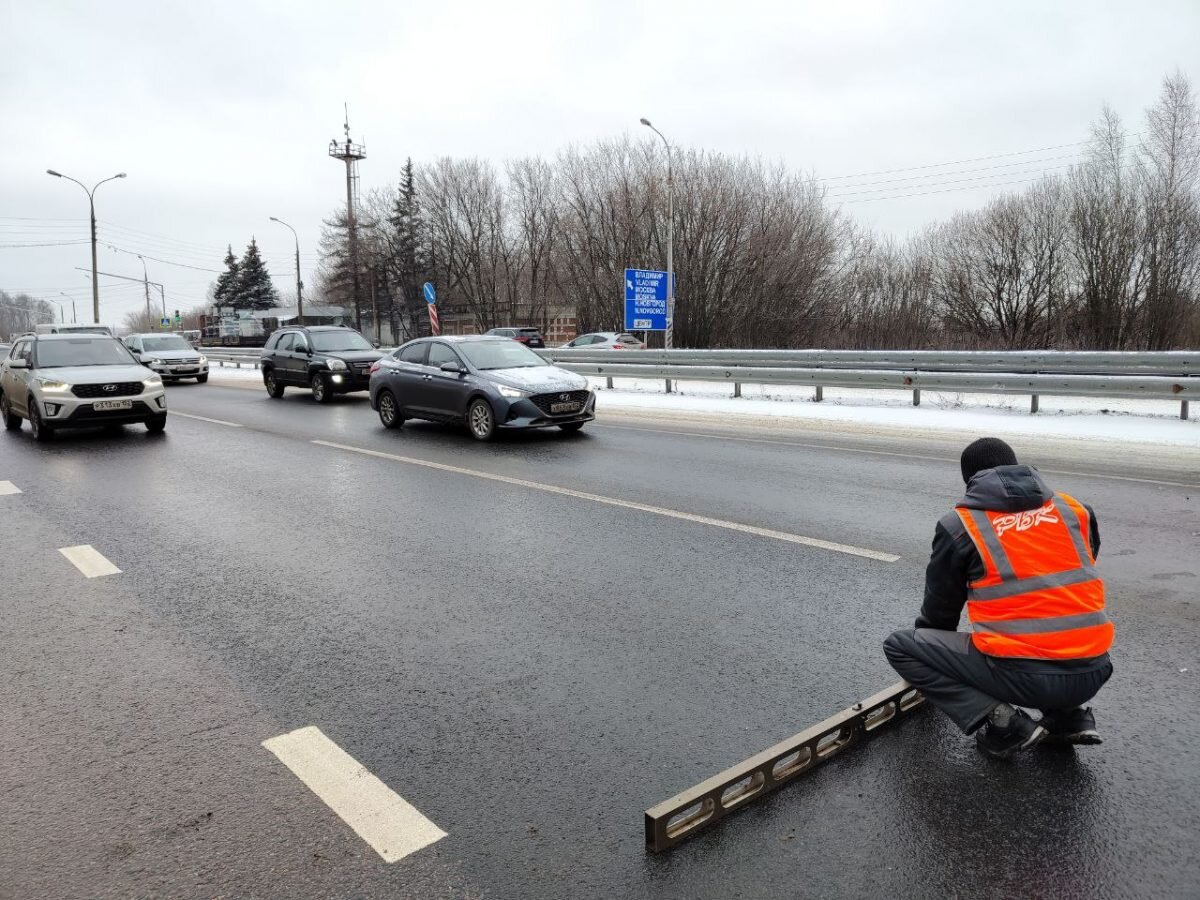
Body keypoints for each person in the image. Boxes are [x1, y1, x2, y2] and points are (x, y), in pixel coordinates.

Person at [884, 437, 1114, 760]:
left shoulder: (961, 526)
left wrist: (935, 662)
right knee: (1047, 637)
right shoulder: (1075, 510)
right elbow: (1076, 573)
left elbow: (940, 615)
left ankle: (1005, 723)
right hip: (1095, 667)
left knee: (900, 645)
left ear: (972, 481)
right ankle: (1068, 715)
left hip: (1027, 678)